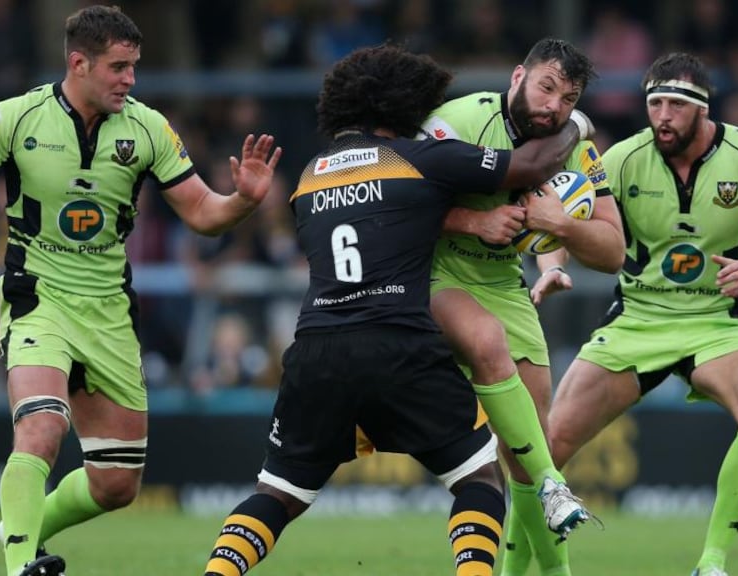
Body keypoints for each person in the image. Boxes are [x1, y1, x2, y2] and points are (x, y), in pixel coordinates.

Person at [202, 43, 590, 576]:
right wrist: (579, 126)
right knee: (480, 480)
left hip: (317, 351)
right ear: (401, 106)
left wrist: (471, 223)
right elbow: (534, 162)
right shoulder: (417, 159)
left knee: (277, 495)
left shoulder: (308, 178)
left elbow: (383, 216)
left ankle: (217, 572)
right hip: (401, 344)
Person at [0, 6, 282, 576]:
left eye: (134, 67)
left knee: (116, 483)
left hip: (110, 312)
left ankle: (23, 523)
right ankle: (20, 568)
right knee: (41, 426)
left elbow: (203, 213)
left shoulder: (148, 130)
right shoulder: (14, 119)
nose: (130, 80)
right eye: (119, 67)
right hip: (37, 296)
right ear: (78, 63)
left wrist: (242, 201)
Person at [543, 52, 738, 576]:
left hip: (717, 323)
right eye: (655, 103)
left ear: (703, 108)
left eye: (676, 104)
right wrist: (553, 265)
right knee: (543, 452)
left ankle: (712, 564)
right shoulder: (623, 158)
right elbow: (568, 218)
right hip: (637, 321)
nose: (663, 116)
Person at [421, 37, 625, 575]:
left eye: (568, 97)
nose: (554, 105)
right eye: (546, 86)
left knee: (529, 458)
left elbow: (613, 251)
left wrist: (559, 227)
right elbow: (398, 202)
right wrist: (474, 222)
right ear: (517, 77)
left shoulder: (577, 149)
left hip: (503, 284)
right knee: (528, 453)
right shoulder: (457, 120)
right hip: (436, 273)